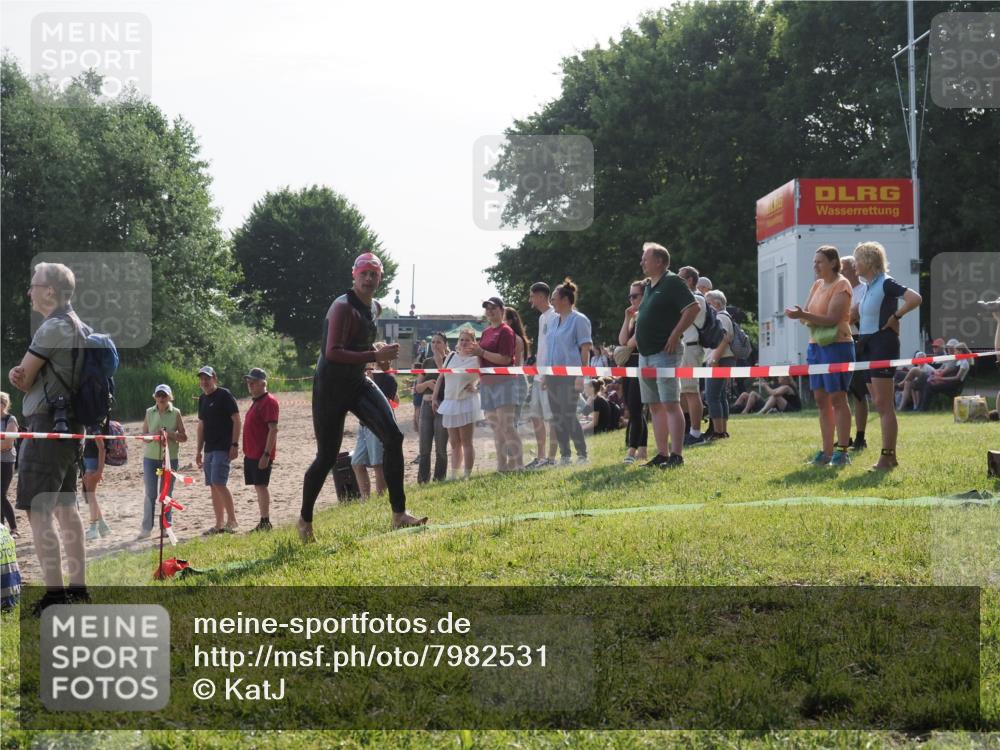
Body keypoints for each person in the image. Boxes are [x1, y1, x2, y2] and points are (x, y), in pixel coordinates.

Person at [300, 252, 426, 541]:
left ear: (380, 278)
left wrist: (378, 357)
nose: (369, 278)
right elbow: (332, 352)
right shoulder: (342, 307)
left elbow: (359, 339)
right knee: (327, 455)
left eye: (374, 274)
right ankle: (305, 520)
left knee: (393, 437)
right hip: (330, 388)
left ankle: (399, 514)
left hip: (357, 382)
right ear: (354, 276)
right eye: (364, 273)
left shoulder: (376, 308)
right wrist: (374, 355)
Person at [8, 261, 88, 610]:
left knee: (38, 511)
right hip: (73, 427)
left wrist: (18, 375)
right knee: (67, 509)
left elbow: (23, 379)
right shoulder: (81, 327)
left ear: (51, 291)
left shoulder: (51, 328)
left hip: (45, 425)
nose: (30, 291)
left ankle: (55, 595)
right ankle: (78, 589)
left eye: (34, 284)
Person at [853, 241, 922, 470]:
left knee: (884, 404)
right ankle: (889, 456)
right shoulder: (868, 287)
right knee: (879, 404)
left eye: (858, 260)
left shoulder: (885, 283)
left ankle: (887, 456)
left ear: (870, 261)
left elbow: (915, 298)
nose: (855, 265)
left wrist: (897, 316)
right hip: (866, 346)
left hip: (883, 344)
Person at [785, 246, 855, 467]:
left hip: (838, 346)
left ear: (833, 263)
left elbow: (832, 318)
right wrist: (804, 315)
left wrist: (804, 315)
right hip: (815, 346)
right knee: (820, 399)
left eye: (820, 262)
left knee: (838, 398)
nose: (815, 266)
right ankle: (826, 452)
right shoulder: (817, 285)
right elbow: (807, 316)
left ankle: (842, 451)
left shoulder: (842, 285)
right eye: (814, 262)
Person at [634, 243, 699, 468]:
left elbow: (693, 308)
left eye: (645, 258)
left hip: (664, 353)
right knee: (654, 405)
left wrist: (675, 334)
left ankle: (676, 455)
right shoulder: (650, 285)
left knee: (670, 403)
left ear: (659, 261)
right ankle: (662, 454)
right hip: (646, 354)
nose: (642, 262)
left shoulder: (673, 282)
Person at [545, 279, 594, 465]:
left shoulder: (579, 320)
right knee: (557, 416)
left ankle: (582, 454)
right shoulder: (553, 321)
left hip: (570, 376)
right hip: (552, 376)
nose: (552, 302)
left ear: (565, 299)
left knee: (568, 414)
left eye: (554, 298)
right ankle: (565, 455)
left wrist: (581, 375)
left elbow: (585, 349)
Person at [473, 296, 523, 471]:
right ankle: (502, 467)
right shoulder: (486, 332)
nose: (490, 311)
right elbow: (481, 357)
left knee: (507, 426)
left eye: (493, 308)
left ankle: (519, 465)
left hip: (505, 382)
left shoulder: (506, 331)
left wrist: (481, 351)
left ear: (502, 310)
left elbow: (506, 359)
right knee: (496, 428)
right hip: (487, 383)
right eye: (487, 308)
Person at [195, 366, 241, 535]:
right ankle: (219, 524)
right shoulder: (202, 399)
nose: (204, 381)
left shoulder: (224, 395)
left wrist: (235, 444)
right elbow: (201, 426)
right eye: (202, 379)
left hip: (223, 447)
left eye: (207, 378)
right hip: (209, 448)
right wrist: (198, 450)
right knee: (213, 486)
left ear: (214, 378)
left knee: (219, 483)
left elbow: (236, 420)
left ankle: (232, 520)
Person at [432, 328, 483, 479]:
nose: (464, 342)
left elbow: (486, 375)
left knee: (466, 441)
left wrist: (477, 387)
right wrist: (435, 397)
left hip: (466, 401)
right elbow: (441, 377)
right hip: (449, 402)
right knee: (454, 443)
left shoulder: (476, 359)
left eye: (467, 339)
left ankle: (467, 475)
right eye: (462, 339)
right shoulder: (451, 356)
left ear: (473, 342)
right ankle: (454, 474)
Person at [352, 347, 399, 500]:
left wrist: (371, 381)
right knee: (357, 463)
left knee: (378, 464)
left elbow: (384, 403)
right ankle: (366, 499)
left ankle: (380, 498)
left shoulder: (388, 378)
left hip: (377, 426)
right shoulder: (363, 376)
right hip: (363, 425)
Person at [140, 384, 187, 539]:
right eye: (159, 395)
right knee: (150, 494)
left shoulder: (176, 413)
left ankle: (166, 526)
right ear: (155, 396)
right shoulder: (149, 412)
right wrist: (154, 435)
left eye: (164, 395)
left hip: (169, 459)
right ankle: (146, 528)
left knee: (166, 494)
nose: (161, 398)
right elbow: (144, 437)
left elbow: (184, 437)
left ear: (169, 397)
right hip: (150, 459)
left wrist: (170, 434)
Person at [526, 282, 559, 469]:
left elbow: (554, 348)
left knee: (551, 418)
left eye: (532, 296)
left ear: (540, 295)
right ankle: (540, 457)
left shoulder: (554, 316)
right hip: (539, 376)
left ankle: (551, 458)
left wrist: (548, 374)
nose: (530, 300)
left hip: (549, 376)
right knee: (536, 416)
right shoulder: (542, 318)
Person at [242, 368, 279, 531]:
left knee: (261, 486)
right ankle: (263, 520)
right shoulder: (257, 401)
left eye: (254, 382)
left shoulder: (268, 401)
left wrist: (266, 454)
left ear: (263, 383)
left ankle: (265, 522)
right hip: (252, 453)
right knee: (258, 486)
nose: (250, 384)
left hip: (260, 453)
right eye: (249, 381)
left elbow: (273, 429)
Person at [840, 255, 870, 451]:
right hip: (842, 342)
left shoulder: (864, 290)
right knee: (842, 392)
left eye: (842, 269)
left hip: (859, 343)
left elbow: (849, 317)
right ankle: (844, 436)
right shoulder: (842, 291)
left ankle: (860, 437)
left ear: (853, 269)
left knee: (859, 393)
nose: (839, 273)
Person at [618, 281, 649, 464]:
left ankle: (632, 449)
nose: (631, 300)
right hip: (629, 364)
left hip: (640, 363)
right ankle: (643, 448)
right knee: (632, 406)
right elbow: (623, 340)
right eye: (630, 296)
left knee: (636, 407)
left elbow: (631, 344)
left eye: (635, 296)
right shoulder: (635, 316)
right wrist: (626, 318)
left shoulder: (647, 316)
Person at [677, 266, 708, 446]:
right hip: (685, 348)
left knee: (691, 391)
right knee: (683, 392)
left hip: (691, 347)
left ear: (689, 280)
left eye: (680, 278)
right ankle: (687, 429)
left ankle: (696, 433)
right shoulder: (692, 298)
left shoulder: (696, 298)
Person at [414, 333, 449, 483]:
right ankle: (422, 480)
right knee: (424, 448)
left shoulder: (450, 361)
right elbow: (418, 388)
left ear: (445, 344)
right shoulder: (426, 362)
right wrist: (428, 384)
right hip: (426, 406)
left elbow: (450, 383)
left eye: (439, 342)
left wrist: (440, 363)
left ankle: (439, 479)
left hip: (442, 406)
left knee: (441, 448)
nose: (435, 345)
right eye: (433, 342)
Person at [704, 290, 736, 439]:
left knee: (712, 396)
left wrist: (714, 360)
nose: (706, 307)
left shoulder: (721, 317)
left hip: (719, 360)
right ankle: (722, 430)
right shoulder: (725, 316)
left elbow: (724, 339)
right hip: (723, 359)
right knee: (720, 395)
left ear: (717, 304)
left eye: (708, 303)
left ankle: (718, 432)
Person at [918, 339, 971, 410]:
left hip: (954, 385)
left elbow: (957, 378)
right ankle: (920, 407)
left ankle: (923, 409)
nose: (954, 352)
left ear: (960, 351)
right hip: (949, 382)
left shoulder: (964, 363)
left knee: (929, 386)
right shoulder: (959, 361)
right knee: (927, 382)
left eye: (955, 351)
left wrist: (940, 379)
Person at [81, 423, 110, 541]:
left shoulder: (94, 425)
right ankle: (102, 526)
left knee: (90, 495)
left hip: (92, 461)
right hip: (87, 460)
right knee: (88, 495)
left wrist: (99, 470)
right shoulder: (88, 424)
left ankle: (94, 528)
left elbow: (102, 448)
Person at [504, 307, 531, 422]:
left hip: (515, 383)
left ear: (510, 321)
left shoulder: (516, 339)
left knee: (511, 425)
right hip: (506, 383)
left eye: (502, 318)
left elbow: (513, 366)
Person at [0, 393, 19, 537]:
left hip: (6, 462)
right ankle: (2, 529)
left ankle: (14, 529)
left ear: (3, 405)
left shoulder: (10, 419)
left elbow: (7, 443)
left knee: (1, 495)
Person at [735, 376, 801, 415]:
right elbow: (773, 393)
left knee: (776, 397)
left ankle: (760, 413)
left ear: (785, 379)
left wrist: (765, 385)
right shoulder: (783, 386)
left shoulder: (787, 387)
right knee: (747, 394)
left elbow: (774, 393)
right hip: (778, 406)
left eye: (779, 377)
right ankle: (734, 409)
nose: (778, 378)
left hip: (792, 409)